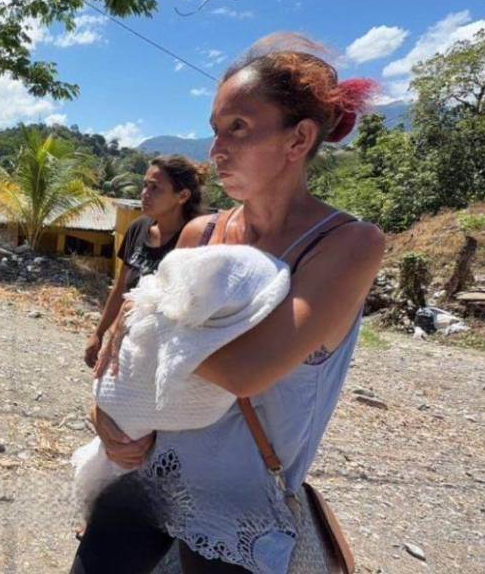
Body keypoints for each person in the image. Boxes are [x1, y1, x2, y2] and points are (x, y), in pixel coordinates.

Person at [73, 33, 386, 573]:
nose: (216, 152)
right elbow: (137, 364)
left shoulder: (346, 245)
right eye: (215, 131)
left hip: (238, 514)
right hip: (147, 478)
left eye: (238, 129)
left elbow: (245, 371)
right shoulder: (202, 232)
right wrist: (104, 412)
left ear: (299, 139)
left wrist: (144, 316)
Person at [84, 155, 208, 369]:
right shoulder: (138, 228)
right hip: (123, 337)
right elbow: (121, 287)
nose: (144, 194)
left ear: (183, 196)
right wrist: (98, 332)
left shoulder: (195, 241)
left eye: (155, 188)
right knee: (103, 400)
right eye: (144, 185)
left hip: (162, 351)